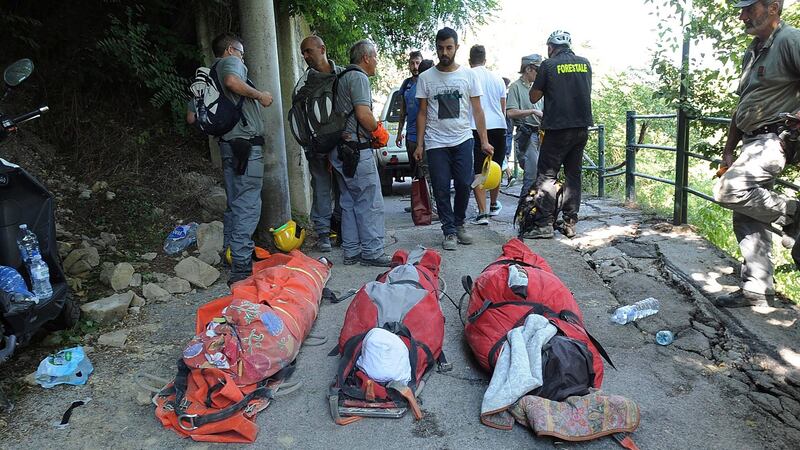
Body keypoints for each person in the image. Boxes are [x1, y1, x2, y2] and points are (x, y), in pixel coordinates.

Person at [712, 0, 800, 307]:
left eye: (750, 8)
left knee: (730, 189)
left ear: (773, 7)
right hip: (751, 141)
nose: (742, 15)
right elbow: (741, 106)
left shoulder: (790, 39)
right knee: (748, 215)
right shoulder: (752, 51)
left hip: (774, 138)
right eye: (742, 9)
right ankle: (758, 287)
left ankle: (794, 212)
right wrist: (728, 150)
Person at [415, 27, 493, 251]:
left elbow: (478, 111)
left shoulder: (469, 76)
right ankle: (448, 230)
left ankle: (459, 223)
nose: (444, 52)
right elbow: (421, 112)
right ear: (436, 48)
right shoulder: (425, 78)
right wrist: (419, 144)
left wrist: (484, 141)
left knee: (462, 183)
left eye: (449, 47)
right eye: (440, 48)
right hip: (436, 142)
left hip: (462, 139)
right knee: (440, 187)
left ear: (457, 47)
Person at [204, 33, 274, 285]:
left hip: (227, 145)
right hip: (245, 146)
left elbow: (192, 117)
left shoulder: (206, 77)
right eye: (242, 53)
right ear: (231, 50)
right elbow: (233, 81)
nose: (242, 57)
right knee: (248, 204)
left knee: (234, 203)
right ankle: (241, 267)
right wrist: (259, 95)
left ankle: (230, 256)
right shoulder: (229, 63)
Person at [525, 31, 592, 240]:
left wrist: (541, 80)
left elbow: (534, 96)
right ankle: (570, 222)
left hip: (557, 129)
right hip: (581, 127)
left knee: (547, 175)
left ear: (550, 47)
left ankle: (544, 224)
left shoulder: (548, 65)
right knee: (573, 174)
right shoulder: (585, 63)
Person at [331, 39, 391, 266]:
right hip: (356, 151)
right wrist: (378, 132)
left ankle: (352, 251)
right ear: (366, 58)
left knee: (348, 201)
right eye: (374, 56)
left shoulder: (341, 78)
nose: (376, 61)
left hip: (340, 150)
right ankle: (373, 252)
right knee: (370, 202)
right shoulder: (358, 77)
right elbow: (363, 114)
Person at [293, 35, 343, 252]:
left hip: (342, 143)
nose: (305, 56)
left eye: (308, 51)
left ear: (322, 49)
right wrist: (307, 145)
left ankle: (343, 230)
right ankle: (323, 233)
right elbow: (297, 116)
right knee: (321, 187)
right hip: (316, 146)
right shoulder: (302, 84)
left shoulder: (343, 74)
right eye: (303, 52)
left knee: (344, 187)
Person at [467, 45, 507, 225]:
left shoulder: (467, 76)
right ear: (485, 59)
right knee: (495, 166)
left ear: (470, 60)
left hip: (476, 126)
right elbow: (503, 107)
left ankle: (482, 213)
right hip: (499, 125)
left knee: (478, 169)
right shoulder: (497, 78)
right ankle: (493, 204)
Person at [506, 54, 544, 199]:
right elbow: (510, 113)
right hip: (527, 135)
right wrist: (533, 111)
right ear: (528, 69)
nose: (539, 74)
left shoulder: (538, 87)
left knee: (542, 176)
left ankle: (537, 210)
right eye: (537, 70)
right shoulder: (515, 87)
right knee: (531, 176)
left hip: (541, 134)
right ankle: (523, 210)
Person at [501, 77, 515, 186]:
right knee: (505, 153)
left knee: (503, 153)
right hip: (509, 127)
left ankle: (509, 176)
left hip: (503, 128)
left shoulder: (502, 97)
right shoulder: (509, 96)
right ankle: (507, 176)